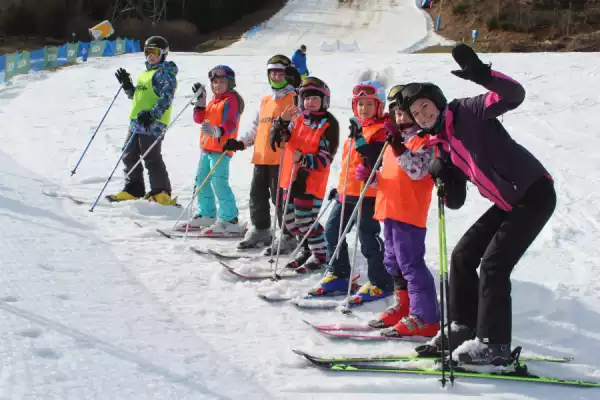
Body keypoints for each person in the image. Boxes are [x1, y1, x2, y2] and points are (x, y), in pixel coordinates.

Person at [398, 43, 556, 365]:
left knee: (495, 264)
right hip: (508, 201)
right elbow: (456, 202)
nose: (423, 115)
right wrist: (443, 179)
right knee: (463, 254)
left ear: (438, 103)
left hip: (533, 192)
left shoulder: (467, 111)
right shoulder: (440, 144)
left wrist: (484, 75)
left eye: (426, 107)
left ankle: (494, 344)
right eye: (417, 114)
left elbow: (514, 95)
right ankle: (462, 327)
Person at [362, 86, 440, 337]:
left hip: (410, 211)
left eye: (405, 112)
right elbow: (391, 176)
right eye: (395, 112)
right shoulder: (395, 141)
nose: (400, 117)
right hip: (390, 208)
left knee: (410, 264)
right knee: (392, 262)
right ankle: (404, 306)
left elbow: (417, 171)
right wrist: (371, 177)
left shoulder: (426, 140)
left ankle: (425, 316)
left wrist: (396, 145)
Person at [310, 79, 393, 304]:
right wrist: (340, 187)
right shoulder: (358, 128)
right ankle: (339, 274)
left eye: (369, 104)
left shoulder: (381, 131)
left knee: (367, 238)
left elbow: (375, 157)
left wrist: (358, 139)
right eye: (360, 104)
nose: (363, 109)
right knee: (332, 232)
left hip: (368, 194)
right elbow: (349, 162)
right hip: (347, 193)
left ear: (379, 106)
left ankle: (381, 281)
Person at [221, 55, 301, 253]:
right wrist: (241, 142)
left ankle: (289, 235)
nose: (276, 76)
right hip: (262, 157)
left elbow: (296, 127)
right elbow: (257, 128)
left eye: (280, 72)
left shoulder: (294, 99)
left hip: (282, 159)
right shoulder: (266, 99)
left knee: (281, 199)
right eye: (272, 72)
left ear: (288, 74)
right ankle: (261, 229)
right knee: (256, 196)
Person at [269, 76, 340, 272]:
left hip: (310, 181)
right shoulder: (297, 118)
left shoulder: (328, 124)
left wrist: (305, 161)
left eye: (315, 99)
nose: (310, 102)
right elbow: (285, 138)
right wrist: (279, 125)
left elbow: (326, 157)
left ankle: (320, 254)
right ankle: (306, 248)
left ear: (324, 101)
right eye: (307, 98)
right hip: (289, 178)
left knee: (305, 220)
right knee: (289, 222)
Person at [110, 36, 178, 205]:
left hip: (153, 123)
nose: (150, 56)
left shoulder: (164, 73)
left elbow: (166, 97)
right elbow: (137, 97)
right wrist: (128, 86)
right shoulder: (146, 73)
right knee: (128, 154)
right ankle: (134, 188)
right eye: (147, 52)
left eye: (154, 52)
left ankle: (161, 192)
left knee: (151, 156)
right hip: (137, 122)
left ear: (163, 54)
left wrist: (153, 114)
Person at [183, 65, 246, 236]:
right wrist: (201, 102)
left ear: (230, 83)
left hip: (222, 149)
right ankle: (207, 214)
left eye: (222, 82)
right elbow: (198, 119)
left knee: (219, 182)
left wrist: (218, 131)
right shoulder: (214, 101)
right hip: (207, 148)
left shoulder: (231, 100)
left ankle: (229, 219)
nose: (218, 85)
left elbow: (231, 122)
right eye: (215, 82)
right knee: (201, 181)